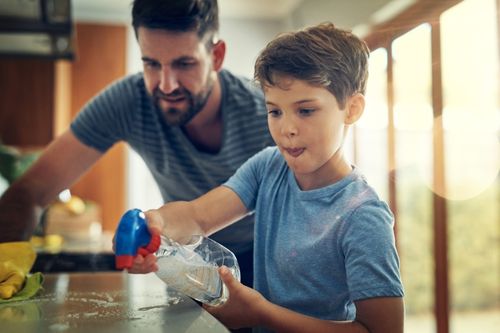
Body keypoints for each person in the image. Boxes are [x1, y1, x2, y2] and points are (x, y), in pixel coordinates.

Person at [128, 22, 405, 332]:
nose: (286, 129)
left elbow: (384, 330)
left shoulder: (363, 216)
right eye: (275, 111)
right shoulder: (268, 166)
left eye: (306, 111)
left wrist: (260, 313)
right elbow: (197, 217)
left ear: (351, 109)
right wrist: (156, 226)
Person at [0, 0, 274, 288]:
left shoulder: (267, 114)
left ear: (216, 56)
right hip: (187, 261)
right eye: (151, 63)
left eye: (184, 63)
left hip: (264, 260)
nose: (166, 85)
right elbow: (30, 192)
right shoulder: (127, 101)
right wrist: (5, 260)